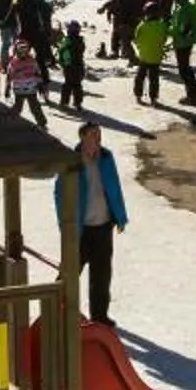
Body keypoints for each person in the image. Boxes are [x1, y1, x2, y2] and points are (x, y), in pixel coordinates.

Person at [54, 119, 129, 322]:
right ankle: (56, 309)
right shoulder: (72, 161)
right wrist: (66, 224)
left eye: (99, 134)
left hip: (103, 227)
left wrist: (120, 217)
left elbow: (115, 187)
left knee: (102, 276)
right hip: (81, 229)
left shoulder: (106, 157)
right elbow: (60, 194)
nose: (97, 138)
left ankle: (100, 315)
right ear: (83, 138)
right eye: (93, 135)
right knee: (70, 272)